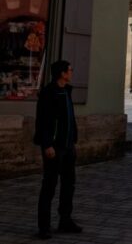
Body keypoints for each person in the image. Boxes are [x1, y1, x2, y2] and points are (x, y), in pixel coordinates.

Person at [34, 60, 82, 239]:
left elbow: (69, 118)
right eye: (70, 70)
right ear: (62, 73)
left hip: (68, 146)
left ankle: (65, 220)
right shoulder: (48, 93)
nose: (71, 72)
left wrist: (73, 140)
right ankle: (44, 227)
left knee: (69, 185)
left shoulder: (66, 91)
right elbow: (43, 120)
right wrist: (47, 144)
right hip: (54, 147)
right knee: (49, 186)